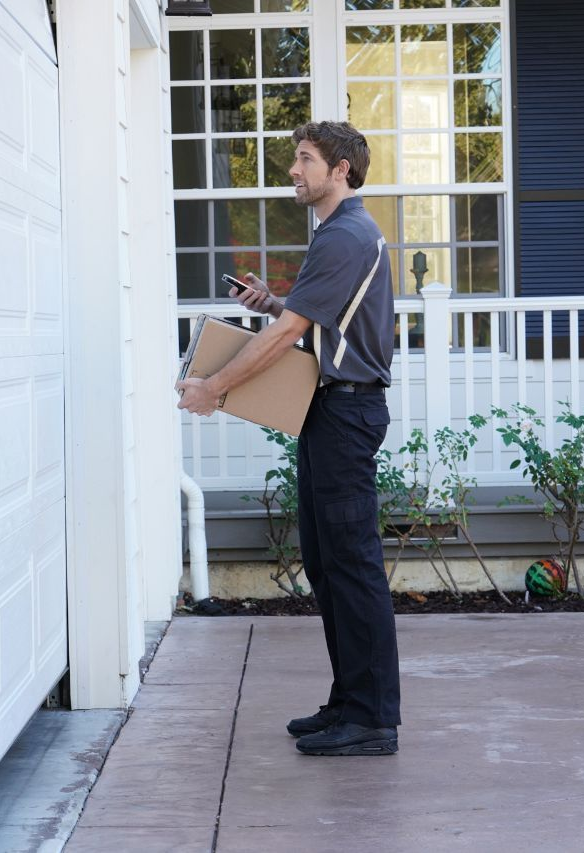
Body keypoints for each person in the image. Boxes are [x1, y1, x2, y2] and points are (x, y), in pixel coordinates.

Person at [175, 120, 400, 757]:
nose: (294, 171)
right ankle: (350, 702)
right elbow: (311, 326)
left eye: (305, 159)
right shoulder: (340, 235)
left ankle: (372, 720)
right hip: (329, 411)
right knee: (331, 568)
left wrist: (214, 385)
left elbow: (283, 342)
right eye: (296, 159)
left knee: (352, 569)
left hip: (345, 415)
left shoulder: (346, 234)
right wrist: (275, 303)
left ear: (342, 171)